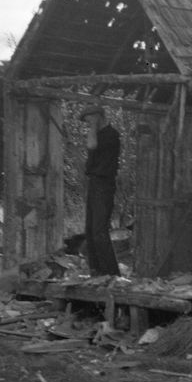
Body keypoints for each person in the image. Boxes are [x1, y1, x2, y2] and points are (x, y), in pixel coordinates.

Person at [81, 106, 121, 276]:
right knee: (90, 230)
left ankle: (111, 273)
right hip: (95, 183)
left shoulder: (111, 135)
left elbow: (91, 144)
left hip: (104, 184)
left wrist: (92, 127)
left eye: (90, 120)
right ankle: (96, 271)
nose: (88, 124)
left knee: (99, 231)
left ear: (98, 117)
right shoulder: (98, 134)